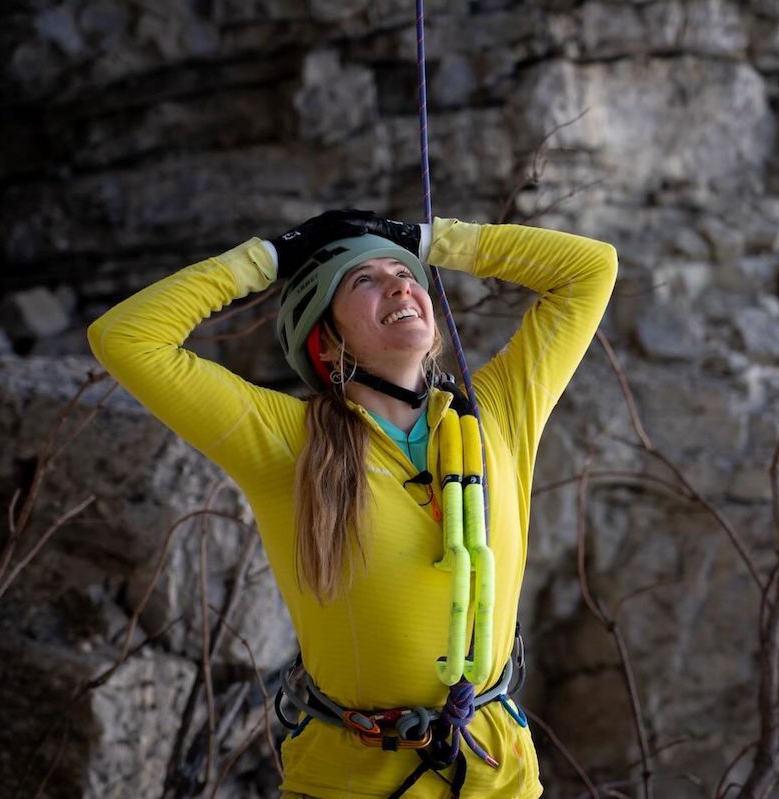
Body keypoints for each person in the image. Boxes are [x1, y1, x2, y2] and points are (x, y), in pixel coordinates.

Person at [87, 209, 618, 798]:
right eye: (364, 280)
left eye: (405, 274)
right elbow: (125, 337)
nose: (400, 286)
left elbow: (590, 268)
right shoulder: (285, 441)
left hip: (497, 775)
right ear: (326, 339)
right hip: (348, 781)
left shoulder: (495, 411)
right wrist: (269, 258)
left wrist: (428, 239)